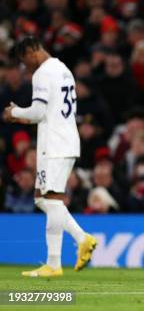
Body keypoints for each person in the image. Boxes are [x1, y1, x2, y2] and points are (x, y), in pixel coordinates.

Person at [3, 36, 97, 277]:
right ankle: (81, 238)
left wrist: (14, 111)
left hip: (55, 144)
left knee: (52, 199)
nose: (26, 66)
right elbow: (50, 111)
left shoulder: (43, 73)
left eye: (25, 60)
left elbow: (39, 110)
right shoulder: (63, 69)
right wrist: (23, 116)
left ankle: (54, 264)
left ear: (34, 50)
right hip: (61, 139)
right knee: (41, 198)